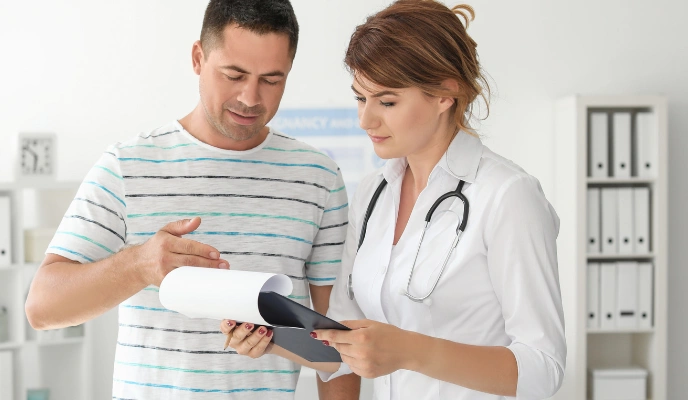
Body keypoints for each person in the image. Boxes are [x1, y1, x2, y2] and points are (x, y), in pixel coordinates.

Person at [223, 1, 566, 399]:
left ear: (444, 93)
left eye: (386, 102)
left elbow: (544, 368)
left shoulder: (508, 196)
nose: (365, 120)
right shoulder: (374, 193)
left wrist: (411, 351)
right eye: (360, 98)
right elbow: (343, 343)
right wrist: (272, 338)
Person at [25, 0, 361, 397]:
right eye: (234, 74)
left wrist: (277, 338)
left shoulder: (317, 176)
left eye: (272, 80)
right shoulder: (127, 166)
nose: (251, 98)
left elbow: (340, 352)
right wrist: (140, 265)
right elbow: (42, 308)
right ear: (198, 58)